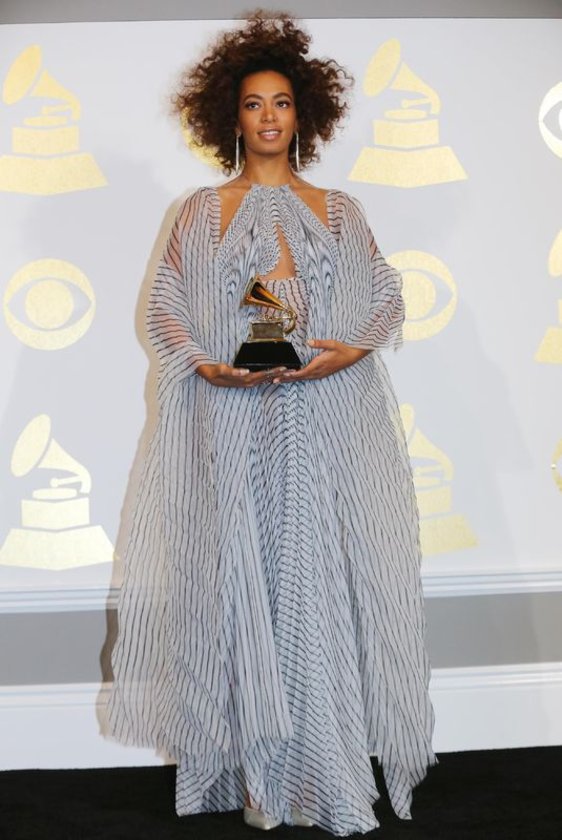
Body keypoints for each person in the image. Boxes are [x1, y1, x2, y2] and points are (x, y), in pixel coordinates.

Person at [106, 12, 436, 837]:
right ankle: (259, 773)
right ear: (232, 115)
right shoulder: (201, 211)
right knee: (237, 587)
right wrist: (205, 363)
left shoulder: (338, 209)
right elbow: (165, 307)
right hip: (230, 426)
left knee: (311, 586)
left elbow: (386, 296)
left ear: (303, 114)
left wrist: (347, 350)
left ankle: (319, 770)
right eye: (254, 103)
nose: (268, 117)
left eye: (282, 102)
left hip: (318, 424)